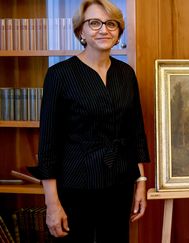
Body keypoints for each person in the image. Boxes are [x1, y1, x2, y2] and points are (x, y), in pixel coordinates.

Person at [30, 0, 150, 242]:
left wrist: (141, 182)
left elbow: (134, 132)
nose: (104, 29)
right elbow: (48, 143)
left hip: (120, 184)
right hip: (75, 188)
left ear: (118, 32)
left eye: (111, 24)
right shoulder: (59, 75)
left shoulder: (126, 74)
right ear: (80, 31)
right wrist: (52, 204)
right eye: (94, 23)